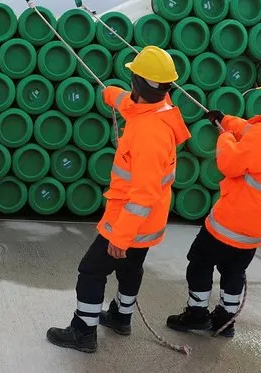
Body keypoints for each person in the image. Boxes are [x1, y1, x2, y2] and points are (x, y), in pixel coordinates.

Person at [46, 46, 191, 353]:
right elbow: (130, 103)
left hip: (129, 221)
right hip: (148, 222)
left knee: (91, 270)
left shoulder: (150, 133)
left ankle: (83, 331)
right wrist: (110, 93)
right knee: (130, 269)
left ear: (137, 82)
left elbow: (144, 193)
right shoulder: (158, 107)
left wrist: (121, 236)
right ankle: (121, 317)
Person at [166, 62, 261, 337]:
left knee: (199, 262)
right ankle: (225, 322)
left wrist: (224, 137)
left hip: (230, 223)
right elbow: (255, 133)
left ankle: (196, 314)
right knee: (234, 271)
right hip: (258, 230)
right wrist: (225, 120)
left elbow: (230, 162)